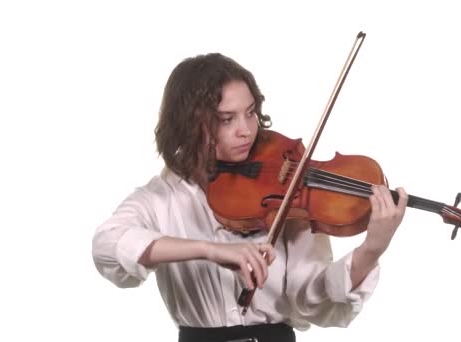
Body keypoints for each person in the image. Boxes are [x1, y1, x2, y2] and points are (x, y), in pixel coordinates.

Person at [91, 52, 408, 342]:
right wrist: (210, 251)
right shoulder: (161, 198)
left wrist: (371, 250)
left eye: (251, 113)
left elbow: (313, 300)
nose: (246, 130)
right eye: (226, 119)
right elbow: (107, 247)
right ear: (188, 125)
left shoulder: (284, 192)